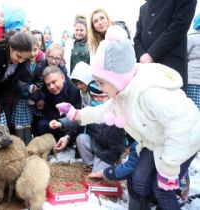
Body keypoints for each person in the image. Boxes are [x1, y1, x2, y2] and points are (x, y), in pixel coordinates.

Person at [56, 25, 200, 210]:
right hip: (156, 140)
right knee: (139, 180)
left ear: (115, 78)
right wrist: (75, 114)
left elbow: (179, 127)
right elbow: (101, 111)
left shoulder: (149, 92)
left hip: (185, 140)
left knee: (162, 189)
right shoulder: (121, 93)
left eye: (101, 83)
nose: (100, 88)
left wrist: (169, 169)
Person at [50, 62, 126, 169]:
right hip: (95, 141)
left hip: (109, 148)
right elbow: (81, 116)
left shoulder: (114, 107)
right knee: (81, 139)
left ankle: (102, 165)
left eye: (102, 96)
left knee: (102, 173)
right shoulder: (87, 98)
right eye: (95, 97)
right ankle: (91, 165)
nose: (98, 99)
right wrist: (61, 123)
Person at [133, 0, 197, 91]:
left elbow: (178, 27)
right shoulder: (143, 8)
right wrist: (142, 56)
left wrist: (151, 54)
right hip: (146, 71)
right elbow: (137, 38)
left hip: (170, 68)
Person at [36, 66, 81, 150]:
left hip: (72, 124)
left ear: (63, 77)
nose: (51, 87)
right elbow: (48, 112)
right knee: (42, 124)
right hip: (56, 122)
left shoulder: (75, 90)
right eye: (48, 84)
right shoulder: (47, 91)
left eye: (54, 82)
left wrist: (68, 135)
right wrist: (53, 122)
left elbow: (78, 119)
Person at [11, 36, 44, 145]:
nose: (33, 54)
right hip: (20, 98)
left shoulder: (40, 63)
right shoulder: (21, 62)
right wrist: (27, 87)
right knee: (19, 123)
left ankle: (28, 144)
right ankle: (21, 144)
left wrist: (35, 92)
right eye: (30, 51)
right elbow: (15, 80)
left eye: (35, 50)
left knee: (28, 122)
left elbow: (40, 80)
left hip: (31, 99)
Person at [187, 13, 200, 110]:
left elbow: (184, 56)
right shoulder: (192, 38)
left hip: (193, 79)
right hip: (194, 79)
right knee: (194, 108)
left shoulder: (191, 38)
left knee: (194, 108)